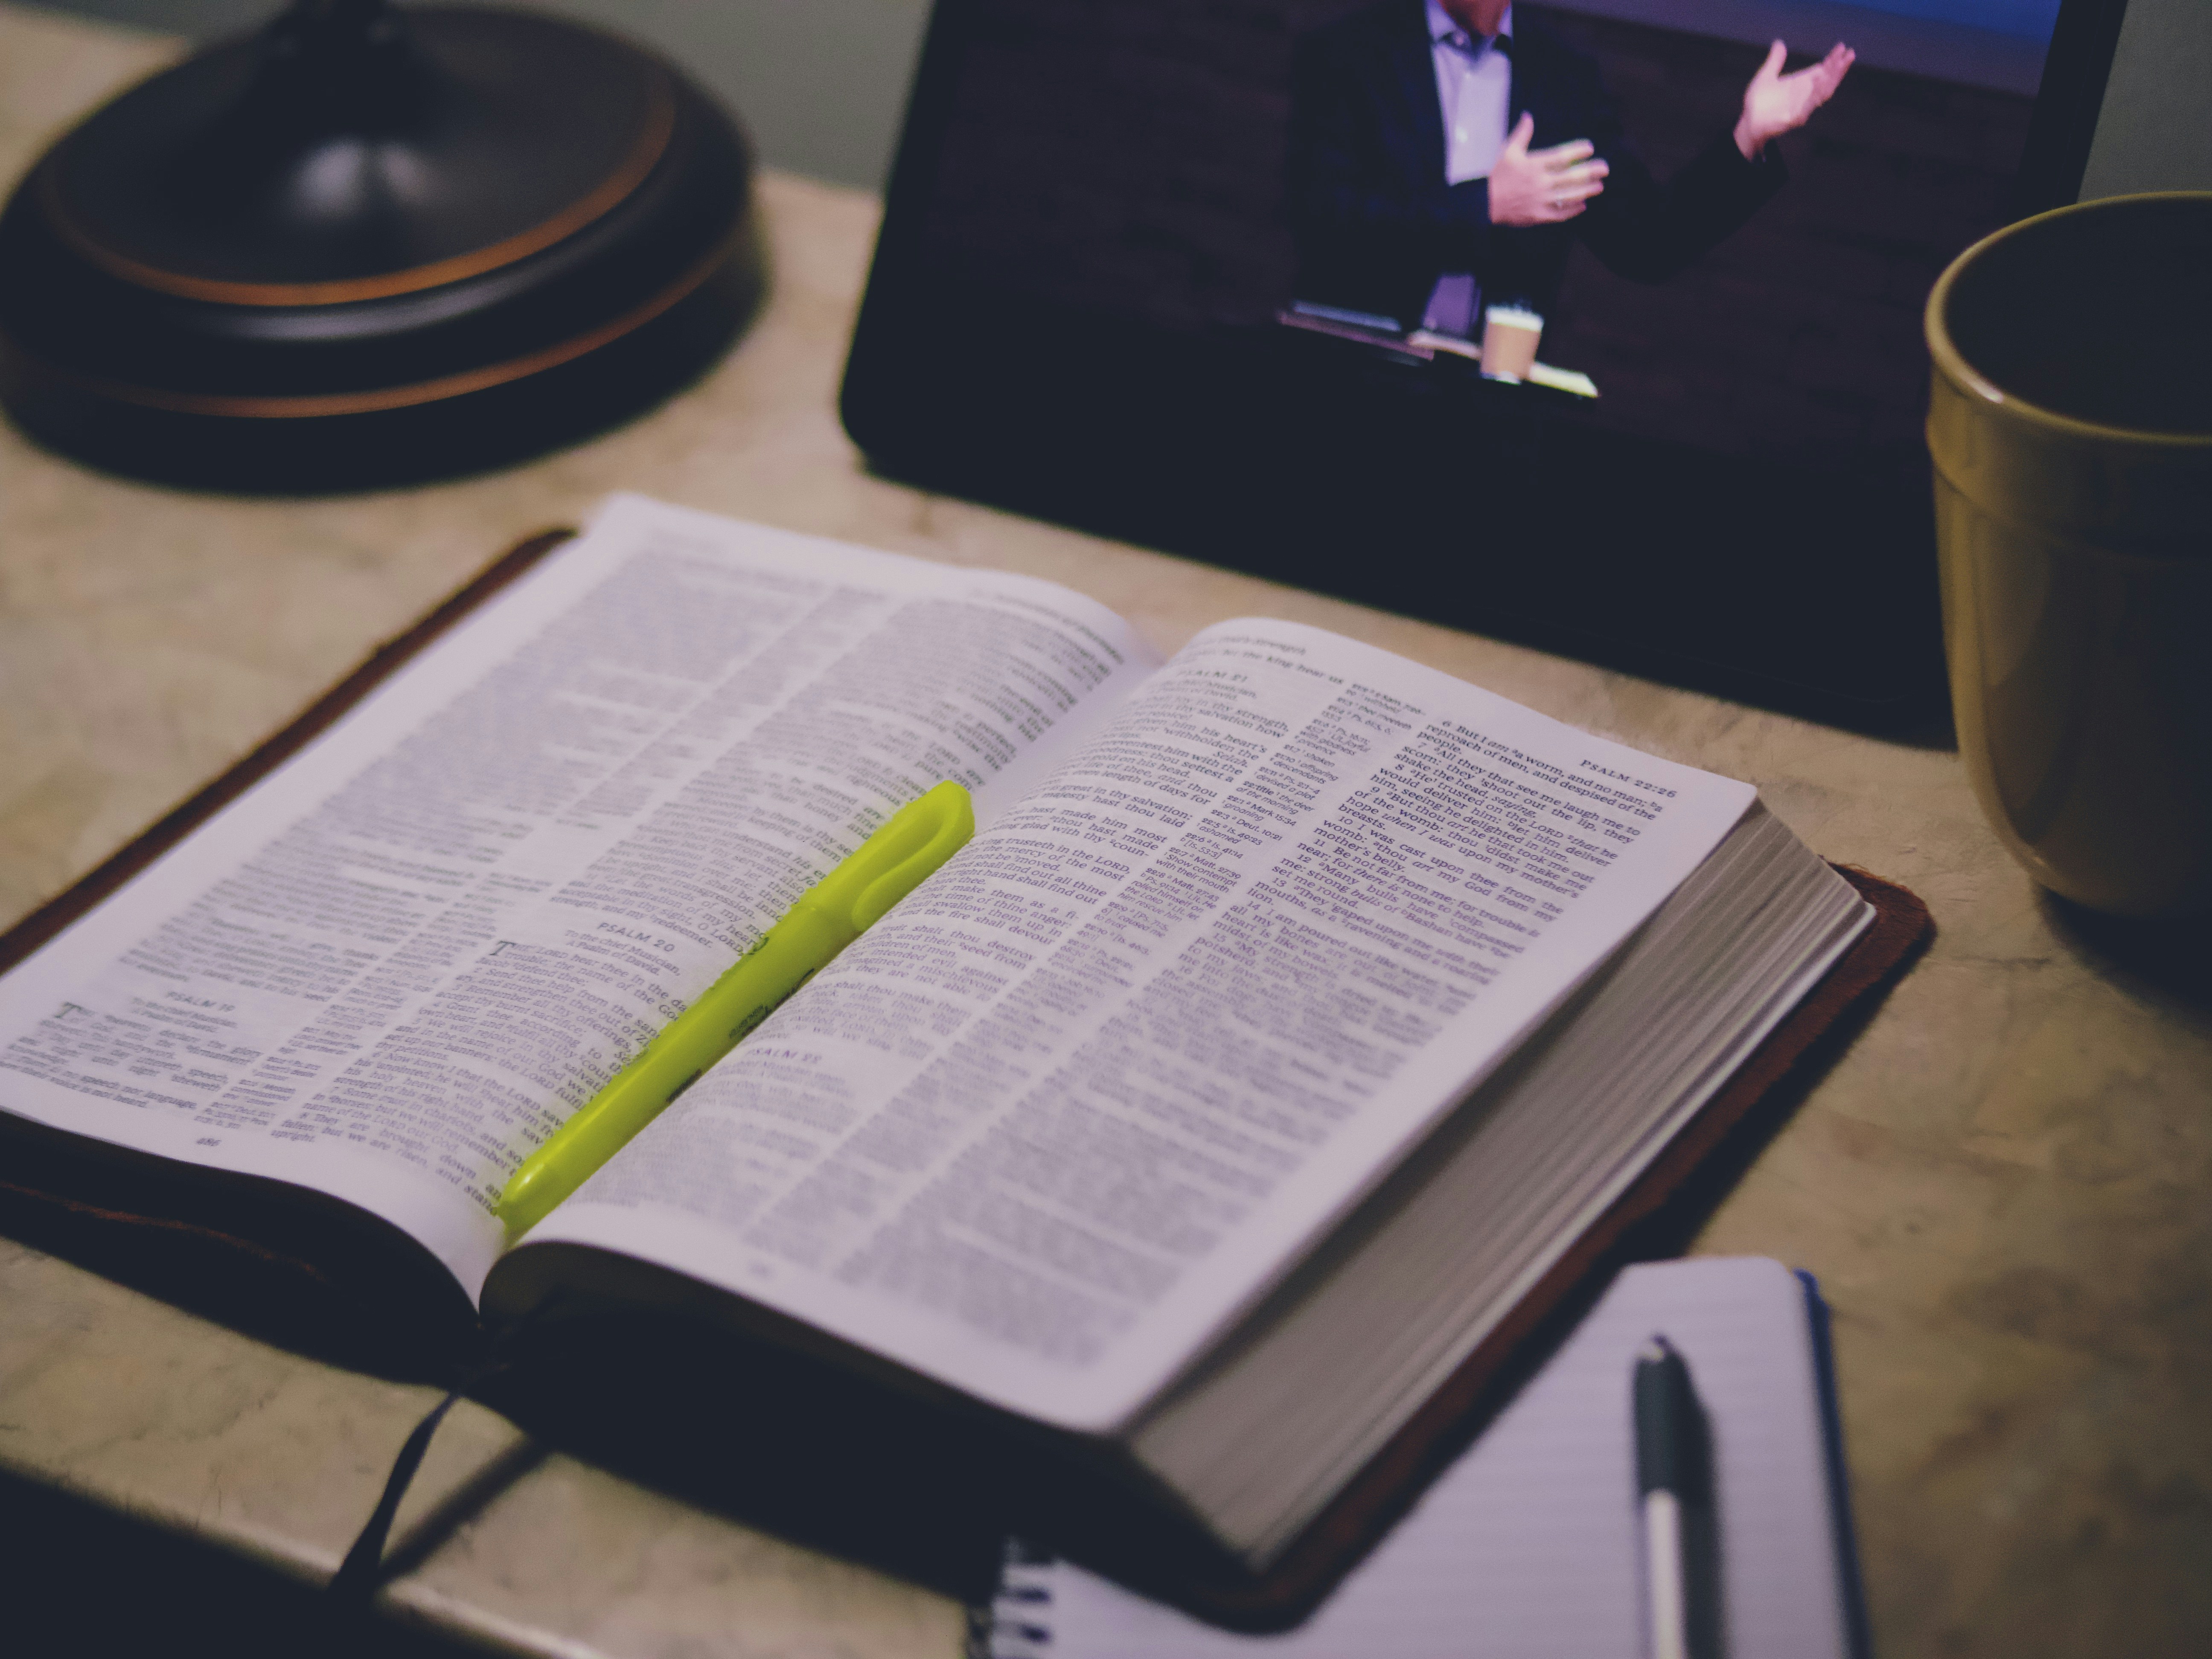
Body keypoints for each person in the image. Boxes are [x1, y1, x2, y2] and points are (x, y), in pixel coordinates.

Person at [1286, 0, 1853, 337]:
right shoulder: (1349, 53)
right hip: (1348, 372)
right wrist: (1485, 207)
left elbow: (1647, 242)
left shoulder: (1561, 78)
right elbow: (1318, 217)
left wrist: (1747, 136)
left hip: (1487, 408)